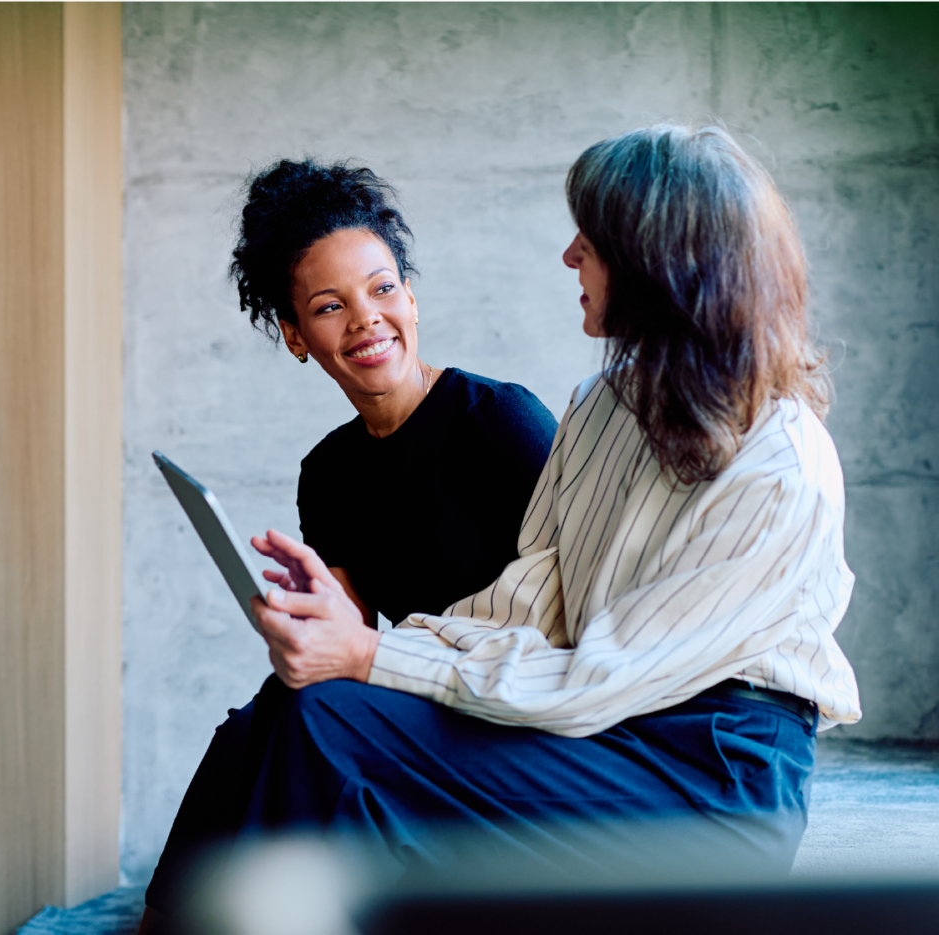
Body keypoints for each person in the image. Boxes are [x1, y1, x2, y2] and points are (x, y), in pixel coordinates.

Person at [243, 124, 862, 873]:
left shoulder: (781, 462)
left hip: (714, 780)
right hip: (611, 737)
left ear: (656, 261)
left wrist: (374, 652)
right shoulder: (602, 404)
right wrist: (355, 643)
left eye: (591, 239)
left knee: (339, 726)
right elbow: (530, 607)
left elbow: (599, 675)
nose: (570, 255)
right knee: (319, 708)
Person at [140, 160, 557, 925]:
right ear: (297, 336)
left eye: (383, 287)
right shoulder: (328, 471)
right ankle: (172, 916)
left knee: (298, 723)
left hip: (511, 710)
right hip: (420, 699)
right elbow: (352, 641)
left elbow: (572, 611)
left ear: (412, 299)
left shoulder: (499, 422)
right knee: (264, 716)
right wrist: (302, 628)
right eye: (331, 306)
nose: (367, 318)